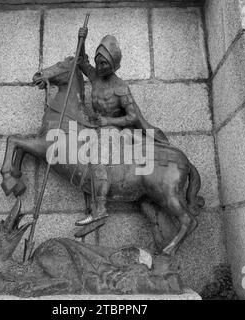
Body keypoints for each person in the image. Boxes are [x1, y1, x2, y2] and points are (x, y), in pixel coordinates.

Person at [75, 27, 169, 227]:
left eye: (104, 64)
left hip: (114, 131)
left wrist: (109, 122)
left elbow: (133, 116)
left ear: (114, 66)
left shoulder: (121, 88)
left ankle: (99, 210)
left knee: (96, 160)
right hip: (95, 128)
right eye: (98, 62)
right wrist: (81, 39)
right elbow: (81, 61)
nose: (99, 67)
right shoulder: (94, 77)